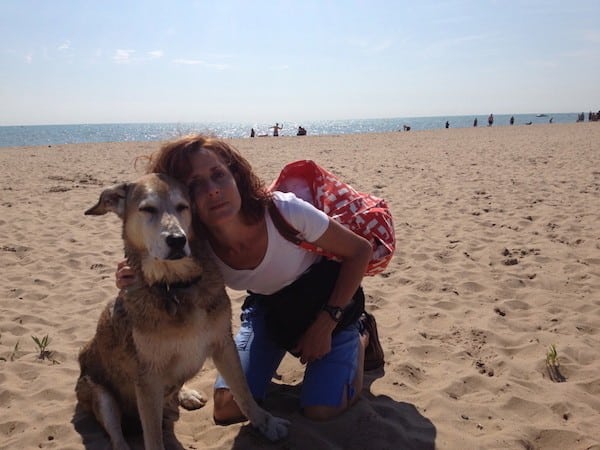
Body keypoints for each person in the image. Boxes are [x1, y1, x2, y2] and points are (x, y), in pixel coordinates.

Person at [115, 134, 384, 423]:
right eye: (194, 184)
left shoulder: (284, 212)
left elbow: (360, 251)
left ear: (236, 175)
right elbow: (152, 259)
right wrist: (132, 274)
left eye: (218, 174)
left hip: (328, 306)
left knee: (321, 410)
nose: (213, 190)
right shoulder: (197, 244)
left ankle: (362, 336)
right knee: (227, 407)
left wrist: (326, 324)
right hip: (270, 311)